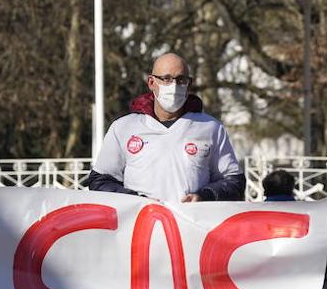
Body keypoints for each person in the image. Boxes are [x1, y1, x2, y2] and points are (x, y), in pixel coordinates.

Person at [86, 53, 246, 204]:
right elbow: (100, 181)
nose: (174, 86)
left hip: (192, 227)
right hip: (139, 227)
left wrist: (204, 196)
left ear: (189, 84)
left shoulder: (211, 127)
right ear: (151, 83)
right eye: (166, 79)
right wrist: (136, 201)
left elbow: (234, 183)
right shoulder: (124, 127)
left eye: (181, 80)